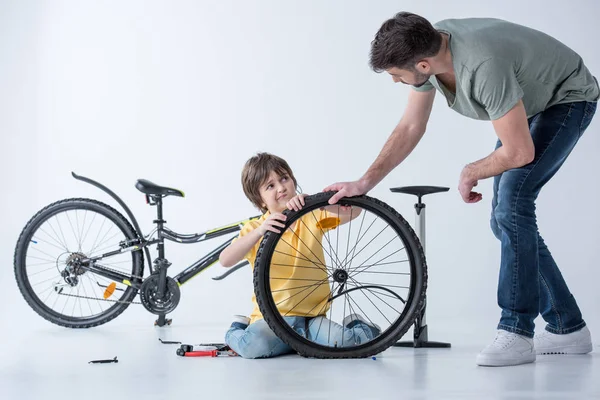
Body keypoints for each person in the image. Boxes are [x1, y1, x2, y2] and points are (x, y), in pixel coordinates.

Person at [324, 12, 598, 367]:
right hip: (528, 100)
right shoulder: (429, 49)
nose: (395, 82)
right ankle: (567, 326)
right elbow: (410, 126)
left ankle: (516, 331)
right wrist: (364, 182)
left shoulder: (483, 66)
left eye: (395, 75)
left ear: (422, 65)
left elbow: (519, 152)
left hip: (567, 98)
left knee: (511, 207)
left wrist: (473, 170)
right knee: (504, 220)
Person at [219, 152, 378, 359]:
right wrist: (260, 232)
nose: (281, 187)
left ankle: (357, 325)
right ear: (260, 200)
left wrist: (319, 203)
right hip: (273, 320)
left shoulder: (310, 215)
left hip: (312, 318)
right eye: (270, 186)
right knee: (252, 347)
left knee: (347, 344)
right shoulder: (256, 228)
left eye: (284, 179)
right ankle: (238, 328)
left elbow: (354, 211)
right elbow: (225, 260)